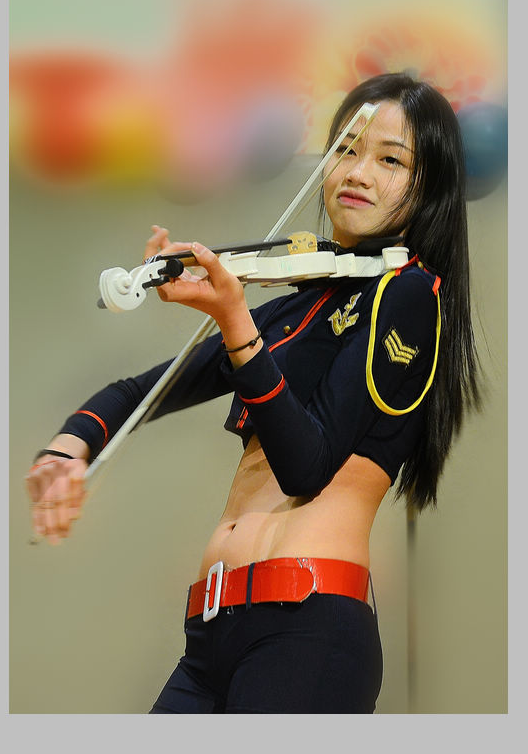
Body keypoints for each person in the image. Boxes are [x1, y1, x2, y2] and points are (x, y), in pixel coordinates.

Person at [25, 72, 481, 713]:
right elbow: (138, 391)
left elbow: (307, 467)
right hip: (211, 635)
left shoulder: (408, 296)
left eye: (390, 160)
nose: (357, 172)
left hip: (307, 628)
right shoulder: (291, 309)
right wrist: (67, 449)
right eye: (346, 149)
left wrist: (235, 322)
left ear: (428, 187)